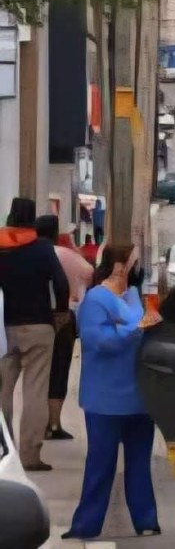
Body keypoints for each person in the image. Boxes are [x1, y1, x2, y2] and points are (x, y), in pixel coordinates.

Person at [62, 245, 161, 540]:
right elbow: (100, 341)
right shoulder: (96, 300)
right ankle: (86, 523)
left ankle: (146, 518)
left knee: (139, 462)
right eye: (133, 263)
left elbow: (139, 330)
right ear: (119, 265)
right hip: (105, 399)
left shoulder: (132, 297)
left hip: (139, 397)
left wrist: (135, 327)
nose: (136, 269)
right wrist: (135, 329)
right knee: (101, 463)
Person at [0, 198, 70, 471]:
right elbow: (61, 283)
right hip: (39, 326)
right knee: (35, 390)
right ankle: (30, 455)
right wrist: (61, 312)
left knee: (3, 390)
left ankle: (3, 450)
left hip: (4, 329)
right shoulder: (42, 247)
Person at [35, 215, 95, 440]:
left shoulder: (30, 254)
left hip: (35, 316)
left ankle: (35, 422)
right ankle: (53, 423)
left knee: (37, 373)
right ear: (55, 233)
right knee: (59, 370)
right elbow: (89, 274)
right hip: (64, 317)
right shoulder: (68, 255)